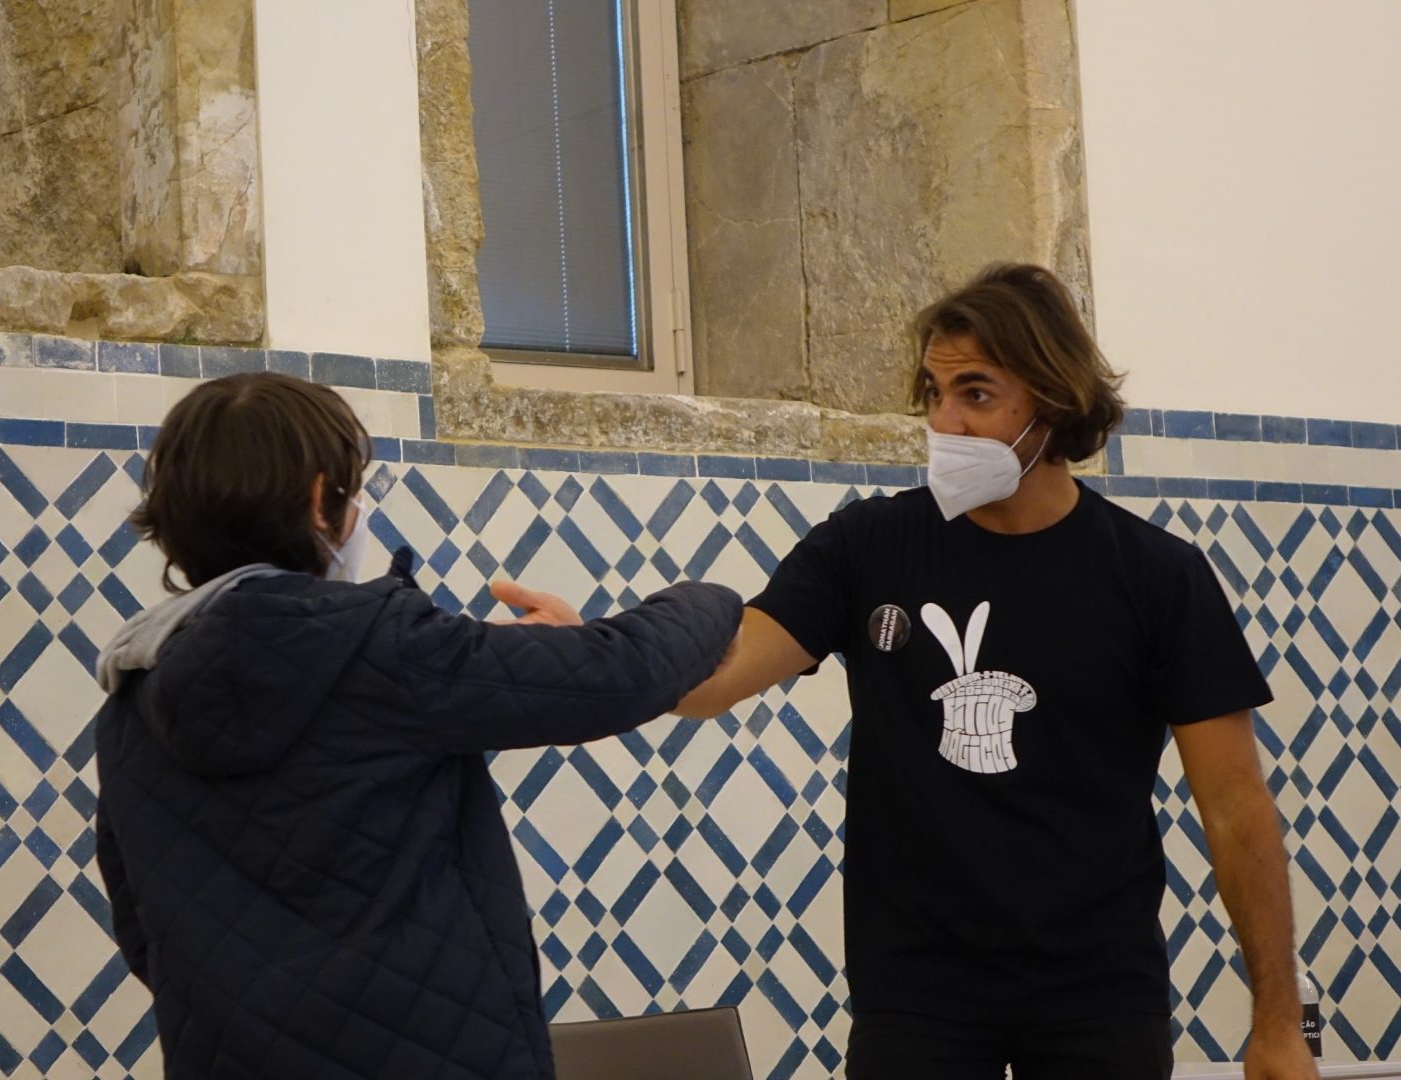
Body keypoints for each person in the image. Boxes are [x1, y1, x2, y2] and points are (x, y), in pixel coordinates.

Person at [509, 264, 1317, 1079]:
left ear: (1054, 400)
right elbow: (718, 678)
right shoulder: (869, 546)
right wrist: (590, 655)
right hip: (918, 1000)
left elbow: (1235, 809)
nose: (944, 422)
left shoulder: (1157, 577)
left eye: (976, 394)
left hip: (1099, 998)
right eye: (934, 393)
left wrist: (1278, 1021)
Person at [90, 372, 742, 1079]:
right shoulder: (382, 647)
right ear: (319, 498)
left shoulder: (129, 702)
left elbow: (142, 932)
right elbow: (624, 675)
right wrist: (714, 598)